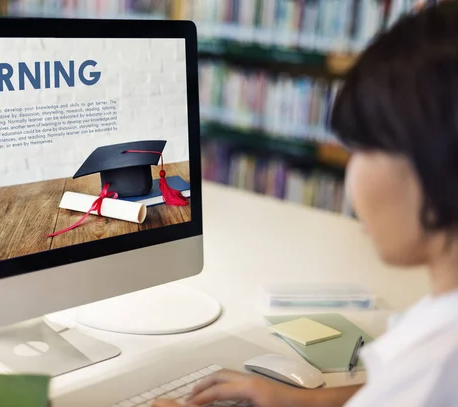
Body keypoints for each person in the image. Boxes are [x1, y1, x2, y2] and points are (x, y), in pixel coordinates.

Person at [153, 1, 458, 406]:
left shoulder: (435, 365)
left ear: (433, 159)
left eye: (361, 149)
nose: (353, 177)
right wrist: (312, 402)